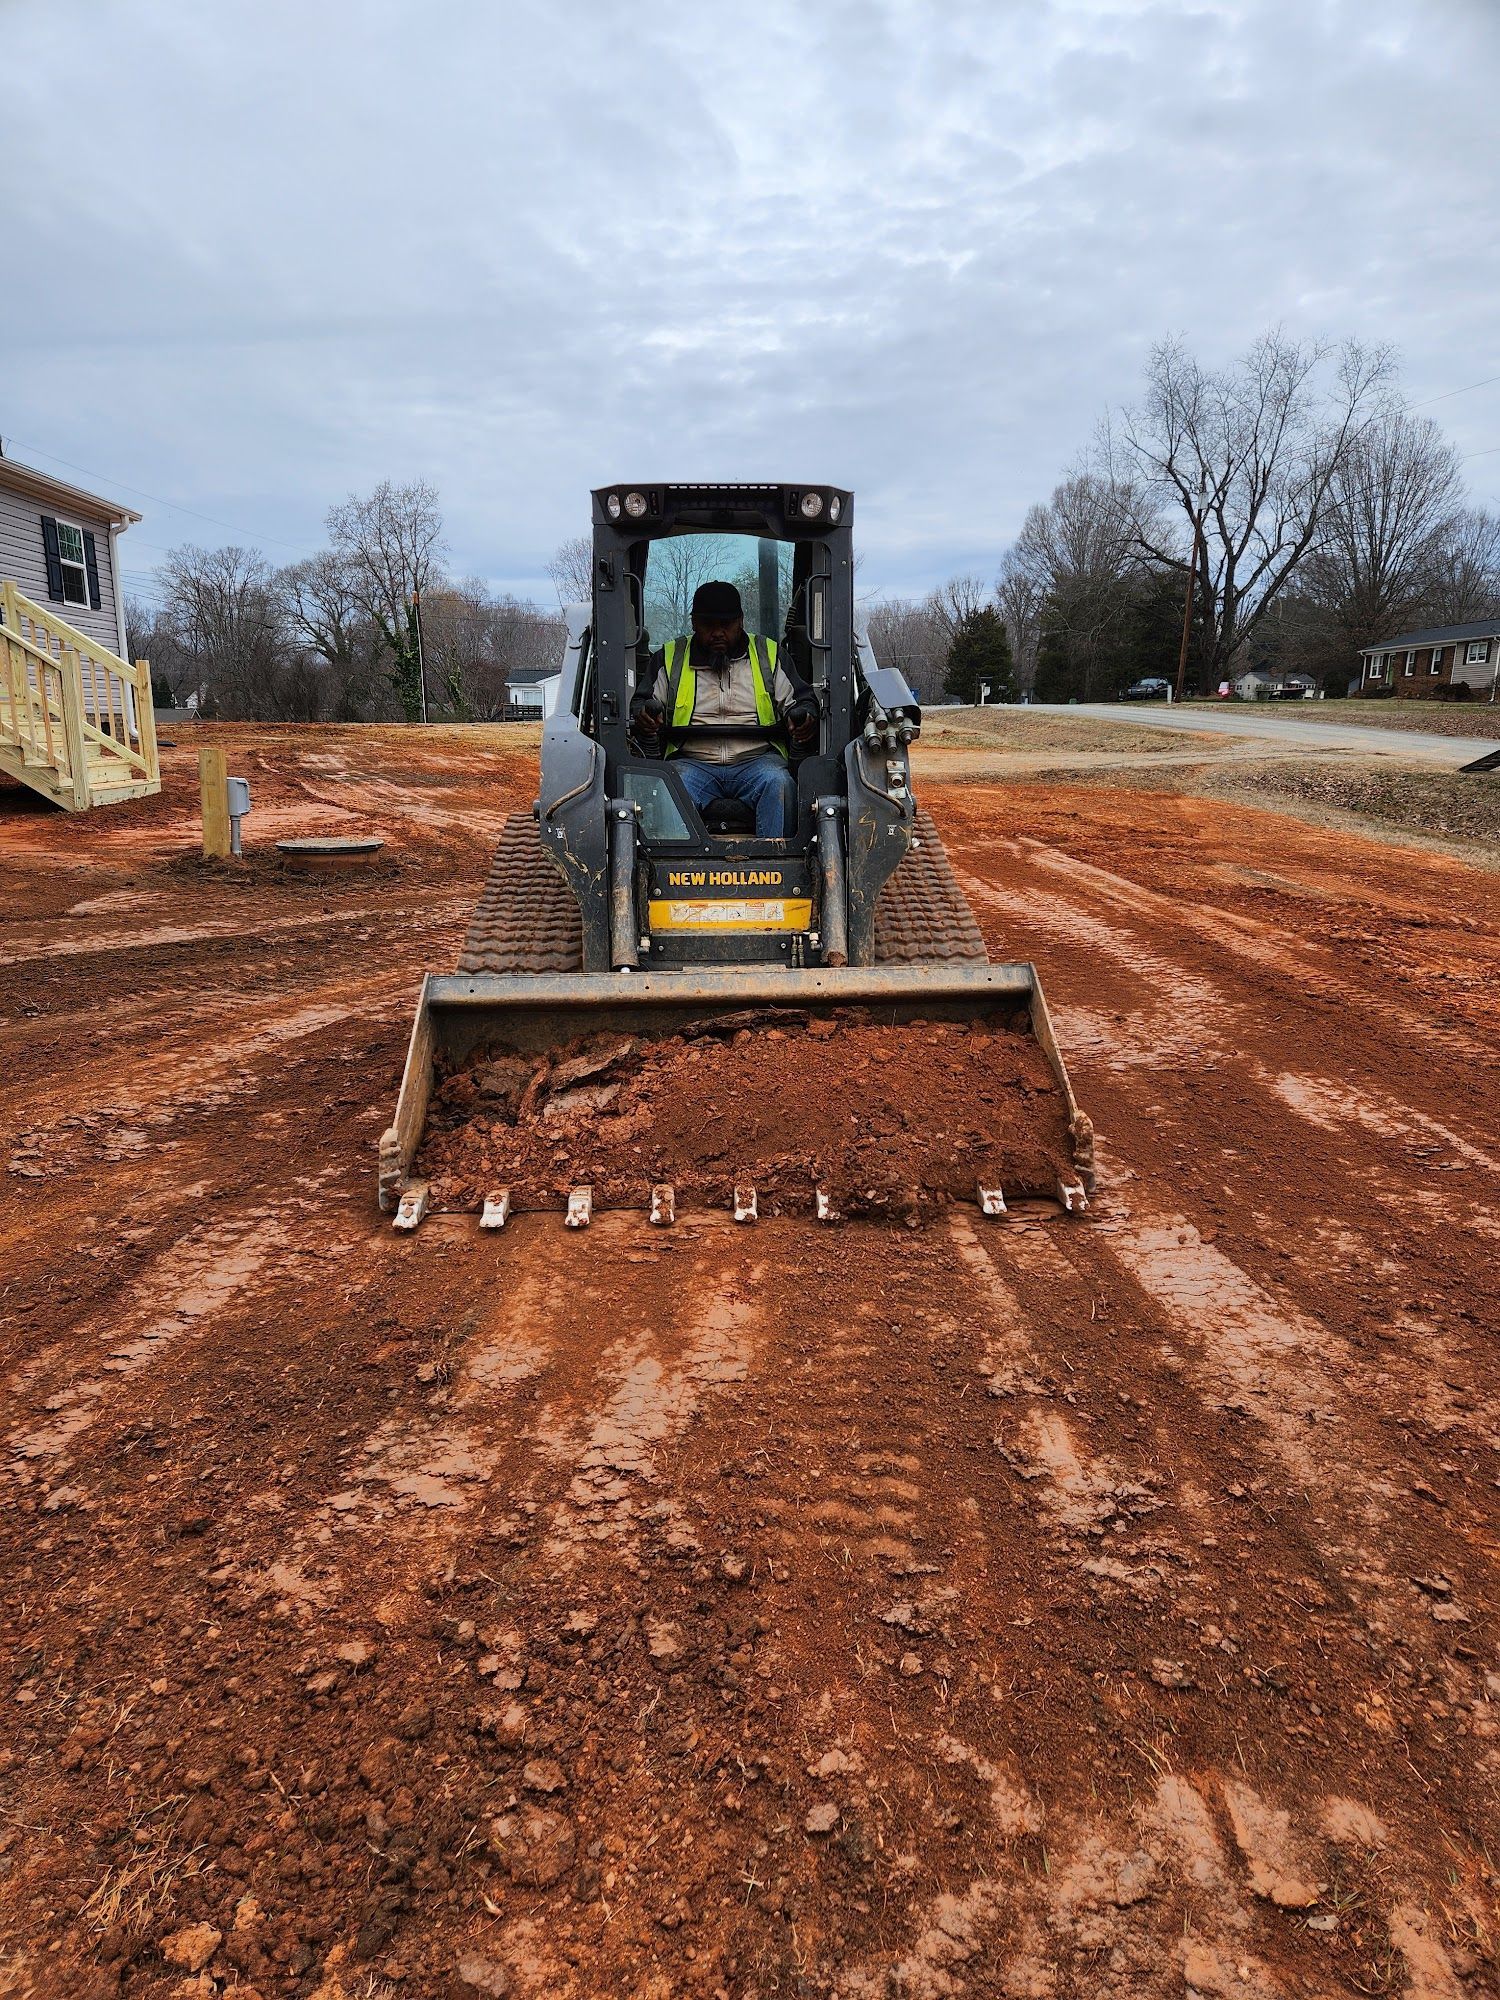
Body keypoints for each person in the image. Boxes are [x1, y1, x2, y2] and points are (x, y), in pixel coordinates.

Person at [630, 580, 818, 838]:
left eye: (726, 625)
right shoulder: (669, 657)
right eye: (708, 625)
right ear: (694, 622)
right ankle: (675, 872)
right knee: (668, 790)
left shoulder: (768, 654)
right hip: (692, 763)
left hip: (758, 762)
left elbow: (801, 702)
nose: (718, 633)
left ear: (740, 621)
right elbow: (642, 703)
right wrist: (645, 715)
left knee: (781, 785)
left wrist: (804, 717)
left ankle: (773, 867)